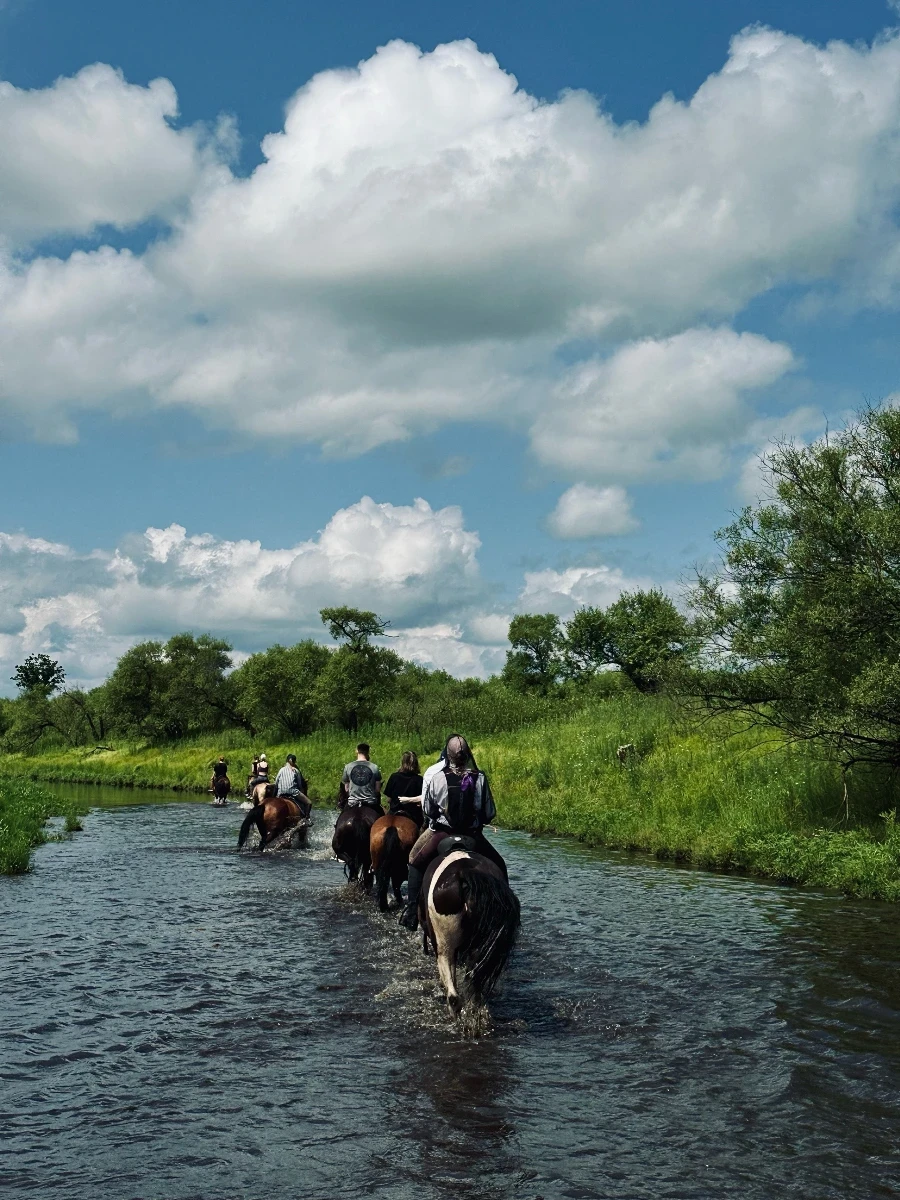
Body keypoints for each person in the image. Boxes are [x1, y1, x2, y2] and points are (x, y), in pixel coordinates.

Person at [399, 733, 505, 931]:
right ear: (467, 755)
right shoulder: (480, 778)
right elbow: (489, 813)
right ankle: (505, 914)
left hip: (443, 834)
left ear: (447, 754)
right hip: (473, 836)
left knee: (414, 860)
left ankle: (412, 912)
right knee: (499, 865)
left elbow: (428, 810)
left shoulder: (438, 777)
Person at [339, 743, 384, 814]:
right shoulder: (374, 767)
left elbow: (346, 789)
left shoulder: (348, 767)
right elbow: (377, 789)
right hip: (370, 802)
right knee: (382, 816)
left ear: (356, 751)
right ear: (368, 752)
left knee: (341, 816)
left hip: (352, 802)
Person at [383, 750, 424, 825]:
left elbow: (389, 799)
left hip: (394, 812)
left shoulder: (394, 777)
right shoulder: (419, 779)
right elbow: (420, 802)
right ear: (416, 763)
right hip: (413, 814)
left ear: (402, 762)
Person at [275, 753, 312, 819]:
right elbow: (300, 785)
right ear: (294, 762)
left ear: (287, 761)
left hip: (281, 793)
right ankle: (306, 818)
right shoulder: (296, 770)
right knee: (309, 802)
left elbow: (276, 783)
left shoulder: (281, 770)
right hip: (293, 792)